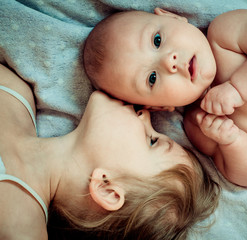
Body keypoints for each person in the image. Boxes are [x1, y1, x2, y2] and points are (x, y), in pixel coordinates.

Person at [83, 8, 247, 187]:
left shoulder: (224, 35)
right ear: (159, 106)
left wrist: (238, 89)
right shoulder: (200, 124)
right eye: (152, 78)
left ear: (174, 17)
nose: (168, 61)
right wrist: (232, 142)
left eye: (157, 41)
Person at [0, 63, 220, 240]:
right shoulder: (15, 93)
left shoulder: (20, 229)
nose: (145, 115)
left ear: (107, 188)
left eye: (151, 140)